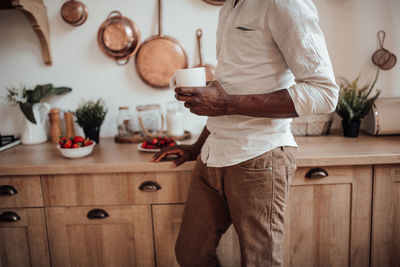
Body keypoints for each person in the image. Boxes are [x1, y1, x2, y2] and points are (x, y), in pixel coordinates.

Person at [151, 0, 339, 265]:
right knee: (191, 254)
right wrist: (195, 146)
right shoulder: (228, 7)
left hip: (260, 158)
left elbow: (324, 94)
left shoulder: (283, 3)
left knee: (259, 262)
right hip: (212, 155)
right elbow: (231, 87)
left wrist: (227, 103)